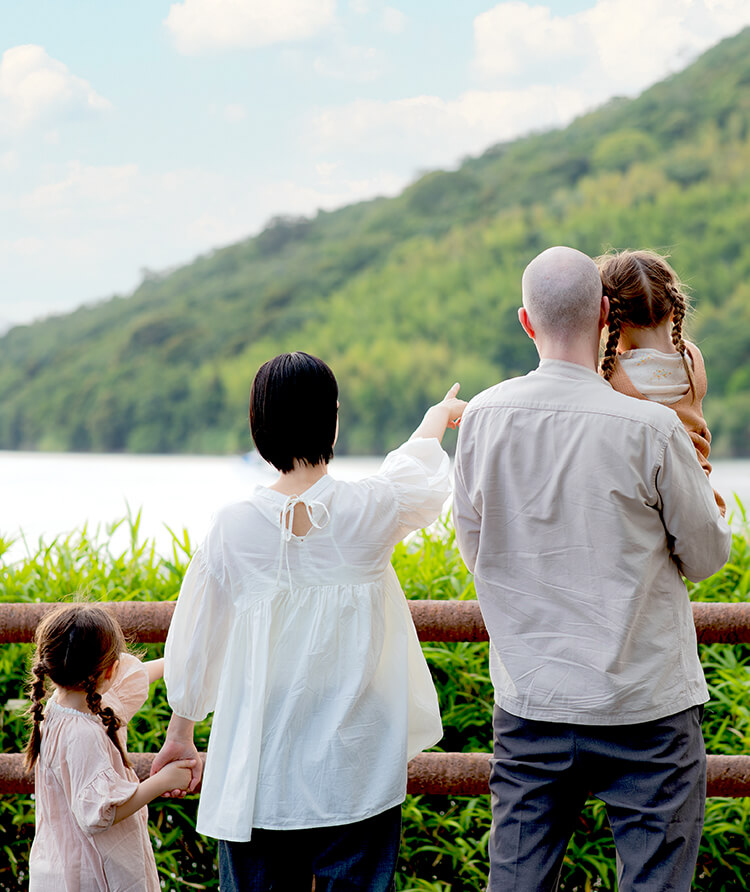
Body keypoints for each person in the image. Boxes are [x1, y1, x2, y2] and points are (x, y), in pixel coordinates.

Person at [453, 246, 731, 892]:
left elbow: (477, 553)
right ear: (605, 314)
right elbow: (708, 556)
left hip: (532, 708)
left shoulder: (481, 422)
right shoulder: (654, 430)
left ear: (526, 322)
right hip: (648, 711)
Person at [153, 351, 465, 892]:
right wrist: (437, 418)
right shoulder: (370, 509)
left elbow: (196, 641)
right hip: (355, 767)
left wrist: (181, 732)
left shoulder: (231, 529)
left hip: (258, 770)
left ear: (258, 424)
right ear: (334, 419)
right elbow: (415, 472)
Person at [25, 603, 195, 892]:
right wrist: (163, 781)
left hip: (59, 868)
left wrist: (181, 662)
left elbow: (134, 678)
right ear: (111, 669)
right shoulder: (83, 733)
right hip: (92, 875)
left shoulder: (60, 708)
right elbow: (101, 813)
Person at [597, 247, 726, 515]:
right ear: (673, 308)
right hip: (702, 496)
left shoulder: (610, 376)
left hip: (646, 502)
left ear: (610, 320)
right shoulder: (693, 359)